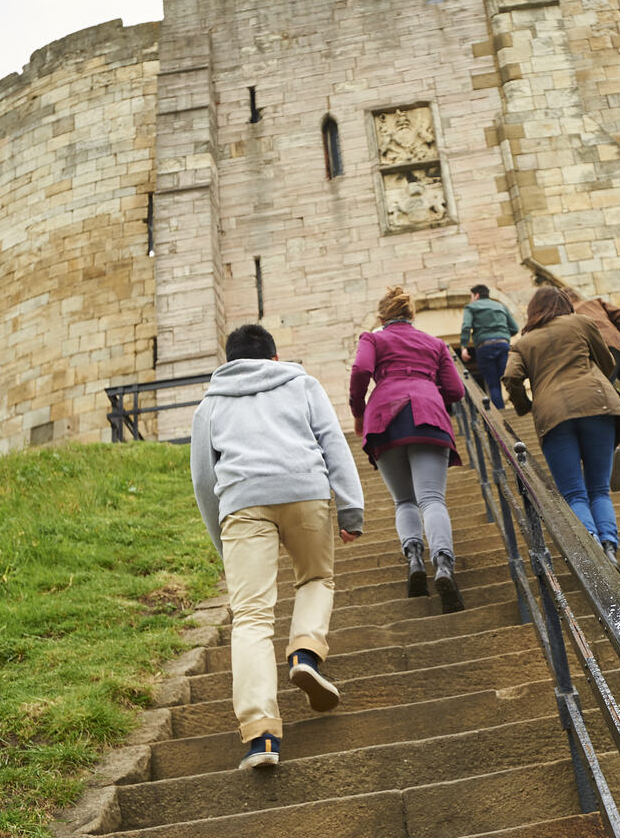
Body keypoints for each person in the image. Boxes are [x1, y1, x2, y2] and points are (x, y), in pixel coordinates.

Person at [191, 323, 364, 771]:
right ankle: (305, 652)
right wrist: (351, 510)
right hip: (305, 490)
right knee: (316, 578)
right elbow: (333, 444)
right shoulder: (301, 383)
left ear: (228, 362)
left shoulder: (210, 404)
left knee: (250, 617)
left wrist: (222, 535)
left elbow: (203, 480)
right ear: (273, 358)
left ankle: (261, 737)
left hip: (242, 504)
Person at [350, 286, 467, 613]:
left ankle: (414, 558)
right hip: (428, 415)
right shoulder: (436, 344)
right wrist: (427, 391)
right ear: (411, 315)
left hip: (385, 417)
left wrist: (358, 411)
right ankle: (443, 565)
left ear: (382, 316)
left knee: (404, 500)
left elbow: (360, 370)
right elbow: (456, 390)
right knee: (432, 499)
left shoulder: (372, 339)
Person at [503, 286, 620, 573]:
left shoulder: (524, 343)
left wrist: (525, 405)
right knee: (599, 489)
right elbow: (607, 361)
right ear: (563, 304)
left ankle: (593, 547)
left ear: (532, 311)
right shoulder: (581, 323)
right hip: (598, 405)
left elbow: (511, 377)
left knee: (574, 494)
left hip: (553, 415)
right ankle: (610, 547)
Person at [561, 287, 620, 493]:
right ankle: (607, 452)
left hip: (589, 352)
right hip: (616, 348)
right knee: (605, 397)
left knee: (593, 404)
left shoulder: (565, 316)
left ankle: (603, 456)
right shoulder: (596, 303)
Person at [459, 284, 518, 409]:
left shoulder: (471, 307)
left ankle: (501, 412)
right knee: (508, 378)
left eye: (471, 296)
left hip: (484, 346)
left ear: (477, 295)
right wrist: (503, 335)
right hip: (503, 344)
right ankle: (519, 406)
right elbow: (515, 328)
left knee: (493, 384)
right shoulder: (501, 306)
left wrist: (464, 346)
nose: (471, 299)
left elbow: (466, 326)